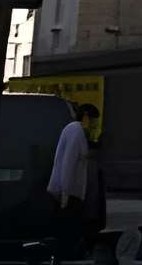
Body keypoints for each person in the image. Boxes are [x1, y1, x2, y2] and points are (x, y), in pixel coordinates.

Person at [47, 103, 100, 258]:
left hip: (71, 191)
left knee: (69, 228)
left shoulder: (75, 130)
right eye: (93, 120)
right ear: (86, 117)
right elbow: (68, 163)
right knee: (69, 229)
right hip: (69, 192)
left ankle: (67, 254)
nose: (94, 124)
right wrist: (65, 193)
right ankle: (66, 255)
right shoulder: (76, 131)